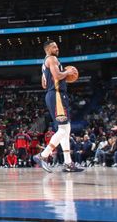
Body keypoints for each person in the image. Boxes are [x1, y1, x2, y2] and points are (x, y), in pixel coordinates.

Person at [32, 40, 83, 173]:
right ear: (48, 49)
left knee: (66, 128)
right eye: (54, 46)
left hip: (54, 94)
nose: (57, 48)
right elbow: (58, 75)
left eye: (57, 46)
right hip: (57, 95)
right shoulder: (52, 59)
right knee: (63, 130)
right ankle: (42, 155)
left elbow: (44, 84)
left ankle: (68, 163)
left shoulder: (44, 63)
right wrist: (67, 72)